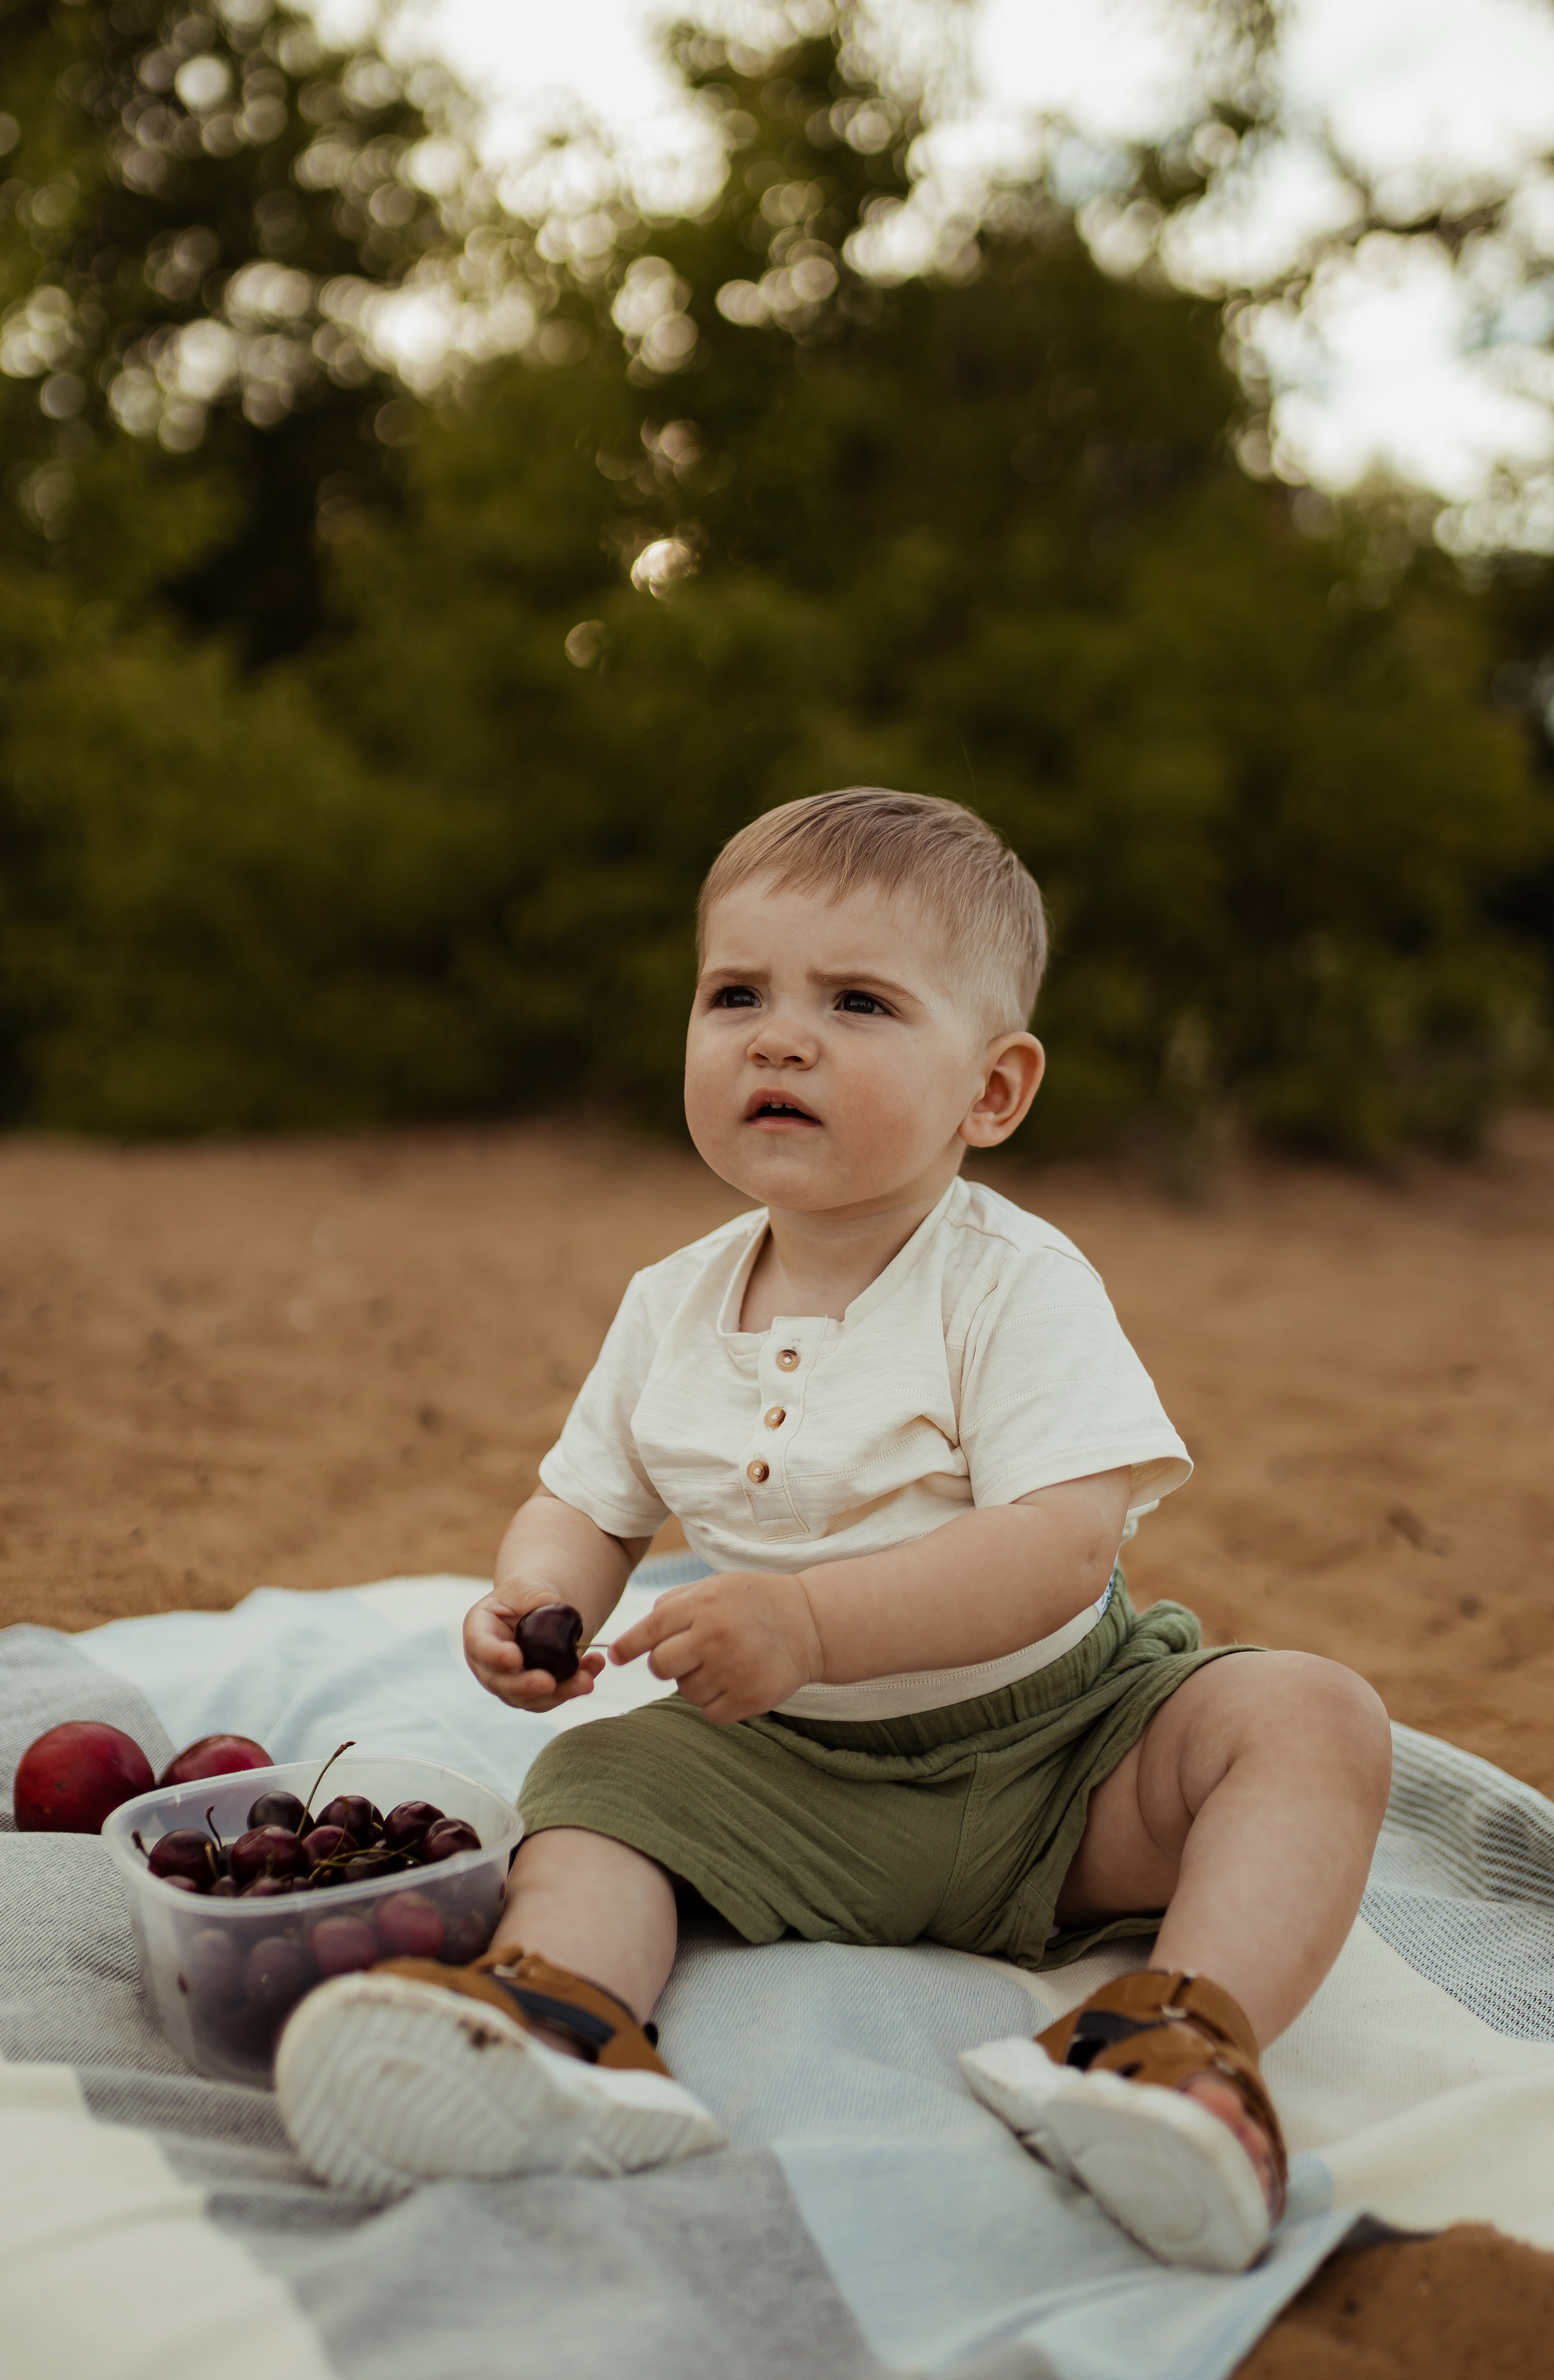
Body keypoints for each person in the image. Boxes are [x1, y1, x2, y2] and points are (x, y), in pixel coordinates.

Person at [275, 788, 1390, 2271]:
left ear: (990, 1092)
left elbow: (1061, 1542)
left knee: (1305, 1716)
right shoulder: (669, 1302)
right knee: (596, 1782)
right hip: (779, 1775)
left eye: (856, 1002)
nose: (777, 1038)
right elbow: (587, 1500)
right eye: (735, 993)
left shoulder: (1009, 1283)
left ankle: (1173, 2043)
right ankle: (555, 2028)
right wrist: (533, 1597)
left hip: (1061, 1766)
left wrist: (807, 1624)